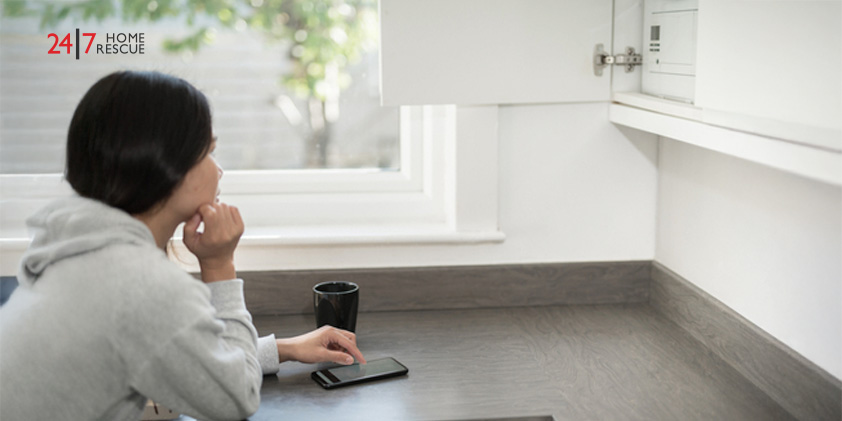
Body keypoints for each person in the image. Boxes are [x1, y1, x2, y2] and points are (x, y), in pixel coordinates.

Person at [0, 70, 365, 420]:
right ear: (165, 166)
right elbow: (236, 398)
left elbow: (169, 352)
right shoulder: (139, 283)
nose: (218, 170)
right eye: (208, 152)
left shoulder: (78, 253)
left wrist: (282, 349)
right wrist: (220, 265)